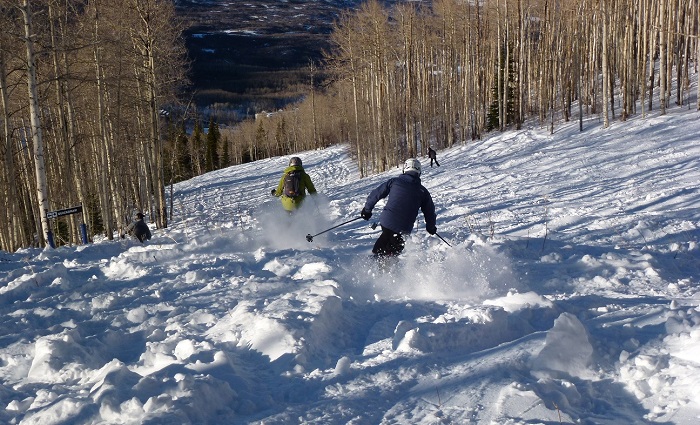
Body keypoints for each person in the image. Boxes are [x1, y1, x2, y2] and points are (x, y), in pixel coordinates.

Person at [360, 158, 437, 257]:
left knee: (381, 250)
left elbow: (376, 194)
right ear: (419, 172)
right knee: (392, 253)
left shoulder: (394, 182)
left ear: (405, 169)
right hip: (404, 228)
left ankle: (374, 265)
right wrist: (431, 227)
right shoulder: (423, 192)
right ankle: (388, 266)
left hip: (387, 222)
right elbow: (430, 212)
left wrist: (367, 210)